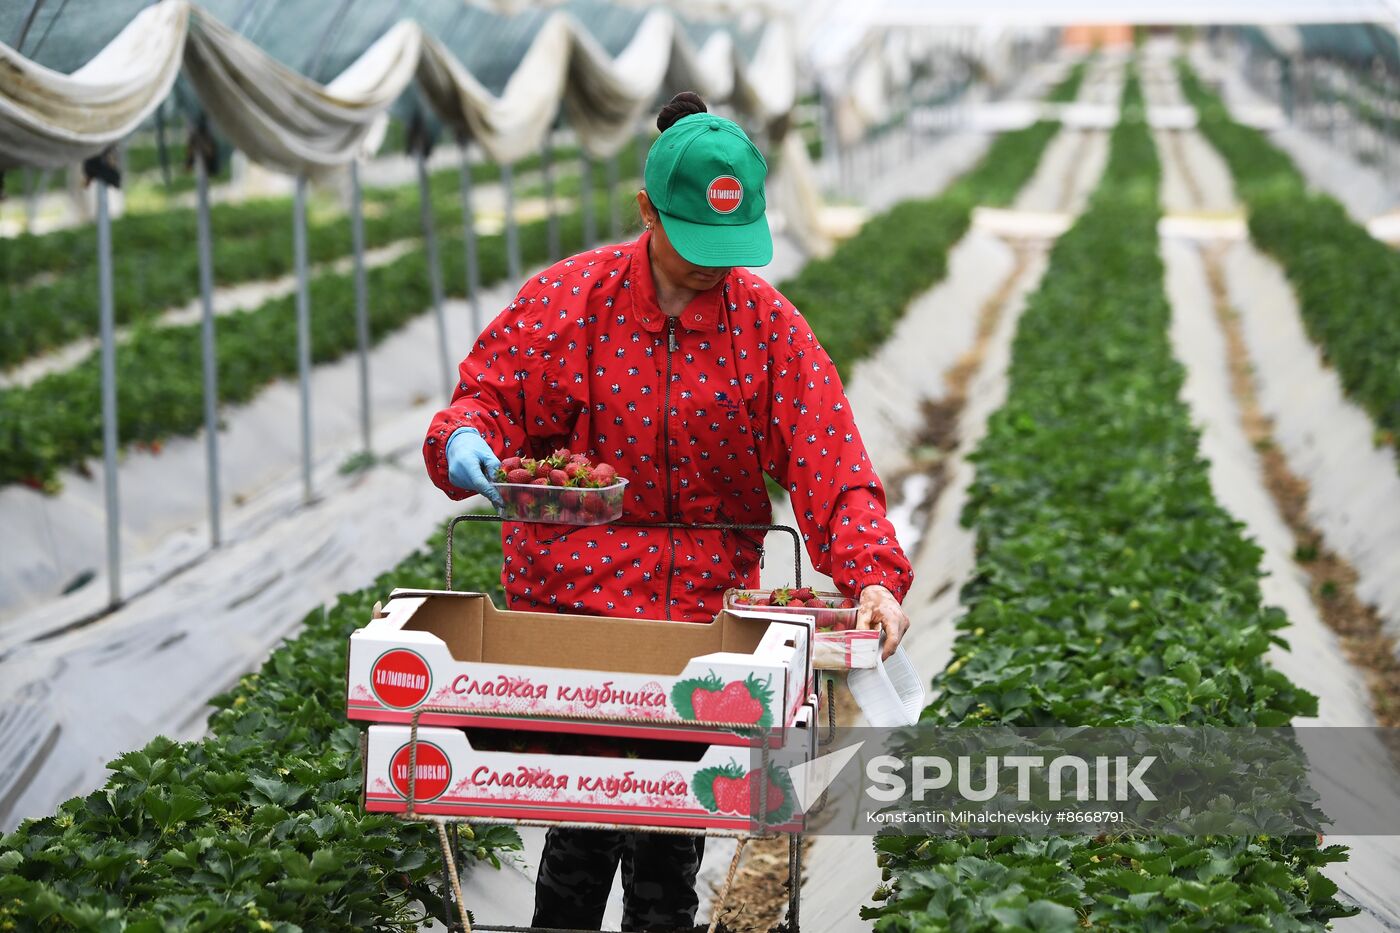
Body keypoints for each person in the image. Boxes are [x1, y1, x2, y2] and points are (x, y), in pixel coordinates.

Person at [423, 91, 913, 931]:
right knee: (579, 842)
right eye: (695, 246)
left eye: (731, 249)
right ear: (647, 208)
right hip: (577, 623)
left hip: (700, 631)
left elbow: (829, 456)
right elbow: (491, 398)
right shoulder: (568, 303)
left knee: (668, 846)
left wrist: (872, 572)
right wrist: (466, 436)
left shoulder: (766, 329)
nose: (715, 268)